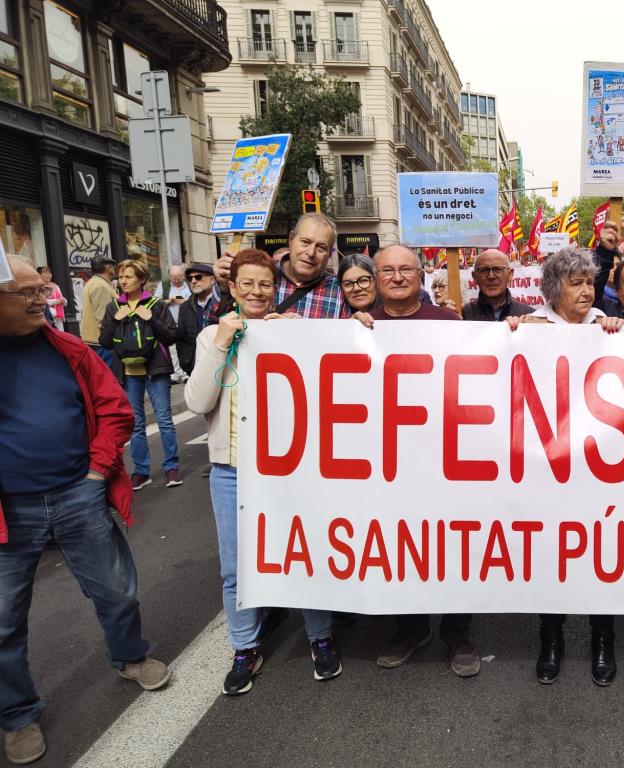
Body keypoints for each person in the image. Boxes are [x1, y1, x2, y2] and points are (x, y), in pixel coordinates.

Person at [0, 260, 170, 765]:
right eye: (25, 293)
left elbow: (116, 409)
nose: (41, 300)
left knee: (117, 588)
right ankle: (18, 713)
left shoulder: (69, 350)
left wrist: (96, 473)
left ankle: (130, 657)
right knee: (3, 621)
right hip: (10, 513)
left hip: (78, 494)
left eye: (41, 289)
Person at [185, 249, 341, 695]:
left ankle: (321, 638)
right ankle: (245, 649)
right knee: (237, 567)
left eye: (265, 284)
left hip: (291, 471)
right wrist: (220, 344)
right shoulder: (212, 335)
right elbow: (197, 403)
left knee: (306, 555)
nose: (256, 292)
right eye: (247, 284)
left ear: (277, 289)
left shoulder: (294, 331)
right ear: (232, 289)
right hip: (232, 470)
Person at [353, 245, 479, 677]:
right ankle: (411, 628)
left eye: (406, 268)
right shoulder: (359, 327)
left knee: (452, 544)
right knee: (403, 546)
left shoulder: (449, 323)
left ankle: (457, 632)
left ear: (421, 273)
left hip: (445, 458)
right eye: (387, 270)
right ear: (375, 278)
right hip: (390, 461)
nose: (397, 276)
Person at [506, 247, 624, 686]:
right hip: (547, 466)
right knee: (554, 555)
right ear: (554, 289)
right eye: (575, 282)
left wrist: (617, 331)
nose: (586, 290)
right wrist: (510, 335)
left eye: (589, 282)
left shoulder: (606, 327)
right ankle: (550, 640)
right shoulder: (530, 327)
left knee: (602, 553)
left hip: (599, 467)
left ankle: (602, 640)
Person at [99, 259, 183, 490]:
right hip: (128, 372)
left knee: (164, 420)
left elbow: (170, 337)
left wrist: (151, 319)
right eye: (121, 277)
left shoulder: (156, 304)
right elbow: (104, 342)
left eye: (128, 276)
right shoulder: (113, 307)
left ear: (142, 279)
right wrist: (115, 321)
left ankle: (171, 467)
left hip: (156, 370)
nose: (123, 281)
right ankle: (141, 471)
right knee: (135, 424)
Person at [214, 213, 342, 318]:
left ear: (330, 253)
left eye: (321, 247)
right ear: (291, 239)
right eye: (305, 242)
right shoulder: (259, 274)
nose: (310, 252)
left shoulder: (340, 292)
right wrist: (223, 288)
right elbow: (212, 322)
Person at [461, 249, 534, 320]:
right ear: (475, 277)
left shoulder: (528, 316)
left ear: (510, 274)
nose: (491, 276)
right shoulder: (463, 314)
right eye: (484, 270)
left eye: (498, 270)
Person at [175, 263, 220, 377]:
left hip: (222, 363)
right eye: (190, 278)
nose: (193, 281)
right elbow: (181, 338)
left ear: (212, 280)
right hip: (196, 367)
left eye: (198, 277)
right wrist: (187, 363)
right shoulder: (185, 307)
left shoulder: (222, 303)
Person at [81, 255, 119, 373]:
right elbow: (103, 318)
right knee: (107, 377)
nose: (114, 270)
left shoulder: (95, 283)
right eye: (113, 267)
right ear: (108, 268)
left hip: (95, 341)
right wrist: (110, 341)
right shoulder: (101, 286)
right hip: (101, 342)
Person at [156, 265, 191, 383]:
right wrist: (167, 301)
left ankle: (187, 372)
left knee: (186, 346)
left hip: (187, 323)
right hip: (170, 323)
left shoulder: (190, 284)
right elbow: (155, 302)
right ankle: (177, 374)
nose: (176, 280)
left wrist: (185, 302)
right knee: (172, 349)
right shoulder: (164, 285)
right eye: (173, 277)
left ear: (183, 275)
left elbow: (196, 301)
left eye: (178, 277)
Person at [36, 266, 66, 332]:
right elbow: (41, 301)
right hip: (49, 316)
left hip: (59, 316)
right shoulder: (40, 287)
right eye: (46, 273)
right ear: (39, 274)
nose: (49, 275)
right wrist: (57, 301)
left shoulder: (55, 285)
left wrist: (64, 301)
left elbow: (62, 298)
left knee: (60, 335)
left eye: (50, 273)